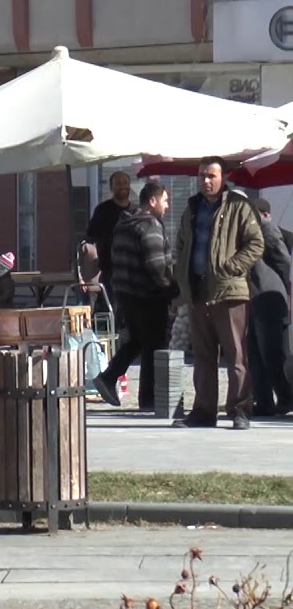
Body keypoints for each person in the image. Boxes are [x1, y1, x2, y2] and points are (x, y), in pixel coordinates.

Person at [172, 157, 264, 430]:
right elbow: (181, 243)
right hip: (198, 291)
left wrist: (231, 267)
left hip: (229, 291)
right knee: (203, 356)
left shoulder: (239, 206)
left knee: (236, 355)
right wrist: (181, 273)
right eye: (202, 175)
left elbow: (256, 243)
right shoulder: (192, 207)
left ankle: (239, 410)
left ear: (223, 177)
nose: (205, 181)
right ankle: (203, 410)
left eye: (211, 175)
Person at [91, 182, 176, 410]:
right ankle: (148, 399)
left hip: (125, 293)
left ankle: (109, 377)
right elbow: (157, 265)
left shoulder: (124, 224)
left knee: (138, 341)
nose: (167, 206)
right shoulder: (149, 225)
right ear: (152, 201)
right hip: (148, 295)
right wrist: (171, 289)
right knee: (153, 346)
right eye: (165, 201)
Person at [248, 199, 292, 416]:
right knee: (255, 353)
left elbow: (284, 262)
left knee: (271, 353)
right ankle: (264, 401)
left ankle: (285, 396)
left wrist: (285, 292)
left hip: (269, 298)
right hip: (253, 297)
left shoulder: (267, 229)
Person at [86, 171, 135, 286]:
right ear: (111, 188)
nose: (122, 186)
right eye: (118, 183)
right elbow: (91, 234)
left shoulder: (136, 211)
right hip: (110, 271)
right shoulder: (102, 210)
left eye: (125, 183)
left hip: (133, 270)